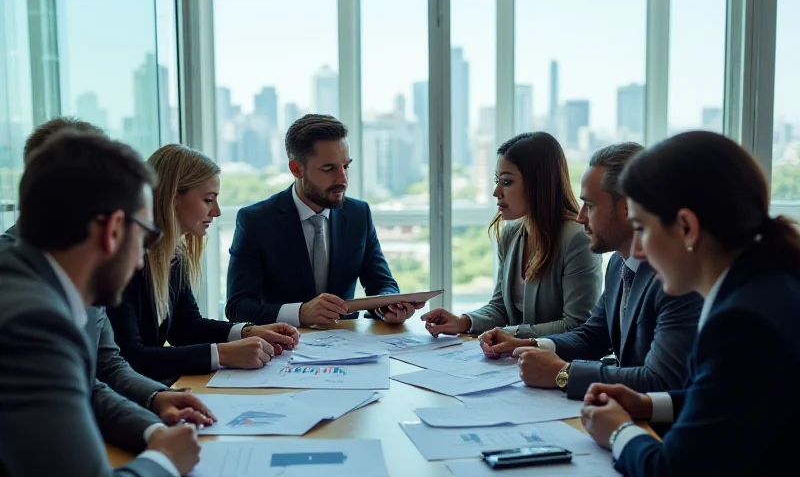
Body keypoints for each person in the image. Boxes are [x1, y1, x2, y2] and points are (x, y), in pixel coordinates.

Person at [579, 131, 799, 477]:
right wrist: (649, 404)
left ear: (686, 227)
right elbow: (732, 398)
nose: (639, 251)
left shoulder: (742, 322)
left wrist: (619, 432)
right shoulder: (765, 284)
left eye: (641, 228)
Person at [0, 131, 199, 477]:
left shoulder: (33, 281)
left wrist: (152, 431)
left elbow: (84, 385)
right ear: (112, 230)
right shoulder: (32, 321)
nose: (144, 262)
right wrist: (163, 461)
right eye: (146, 238)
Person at [1, 117, 217, 427]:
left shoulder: (84, 266)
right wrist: (160, 456)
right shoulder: (23, 301)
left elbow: (104, 369)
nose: (138, 261)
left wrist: (154, 406)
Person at [479, 143, 702, 399]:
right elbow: (592, 335)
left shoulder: (675, 278)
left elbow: (660, 380)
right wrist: (530, 344)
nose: (580, 217)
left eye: (591, 206)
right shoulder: (619, 264)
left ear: (627, 209)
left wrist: (563, 373)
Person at [107, 144, 300, 382]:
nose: (217, 212)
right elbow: (130, 357)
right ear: (173, 197)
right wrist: (223, 354)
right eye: (208, 200)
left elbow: (186, 327)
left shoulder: (174, 256)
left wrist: (248, 331)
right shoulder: (129, 262)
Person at [226, 114, 419, 328]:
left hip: (348, 348)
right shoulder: (256, 221)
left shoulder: (358, 214)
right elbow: (238, 307)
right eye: (329, 169)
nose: (343, 179)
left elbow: (382, 283)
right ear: (296, 169)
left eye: (346, 166)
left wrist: (388, 306)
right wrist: (300, 312)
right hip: (281, 347)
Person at [422, 132, 601, 339]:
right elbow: (501, 308)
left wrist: (510, 334)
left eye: (506, 182)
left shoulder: (577, 239)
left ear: (538, 183)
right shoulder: (511, 234)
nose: (496, 192)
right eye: (497, 181)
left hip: (557, 364)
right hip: (514, 360)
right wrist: (464, 321)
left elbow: (577, 325)